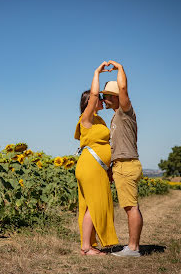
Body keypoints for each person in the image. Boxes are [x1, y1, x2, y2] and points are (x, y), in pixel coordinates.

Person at [74, 61, 119, 256]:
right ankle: (86, 246)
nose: (101, 99)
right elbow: (93, 95)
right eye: (98, 97)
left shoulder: (99, 120)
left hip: (97, 167)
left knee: (91, 205)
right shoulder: (87, 118)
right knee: (94, 205)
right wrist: (97, 73)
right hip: (90, 166)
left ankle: (88, 245)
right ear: (89, 102)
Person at [102, 60, 143, 257]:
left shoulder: (125, 111)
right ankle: (133, 246)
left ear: (117, 96)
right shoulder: (115, 116)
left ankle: (133, 248)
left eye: (108, 96)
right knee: (131, 206)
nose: (105, 99)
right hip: (122, 165)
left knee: (130, 207)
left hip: (127, 165)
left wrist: (119, 68)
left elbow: (124, 87)